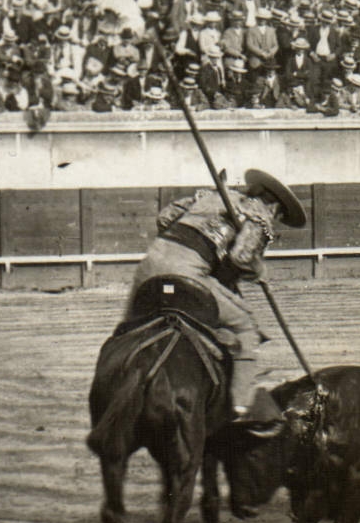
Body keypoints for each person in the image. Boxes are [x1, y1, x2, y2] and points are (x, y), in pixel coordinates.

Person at [126, 168, 308, 423]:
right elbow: (241, 258)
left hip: (148, 268)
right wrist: (258, 270)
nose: (275, 218)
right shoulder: (260, 216)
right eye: (279, 215)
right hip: (187, 275)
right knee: (246, 327)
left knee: (128, 329)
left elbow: (165, 218)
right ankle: (241, 408)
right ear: (275, 207)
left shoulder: (209, 197)